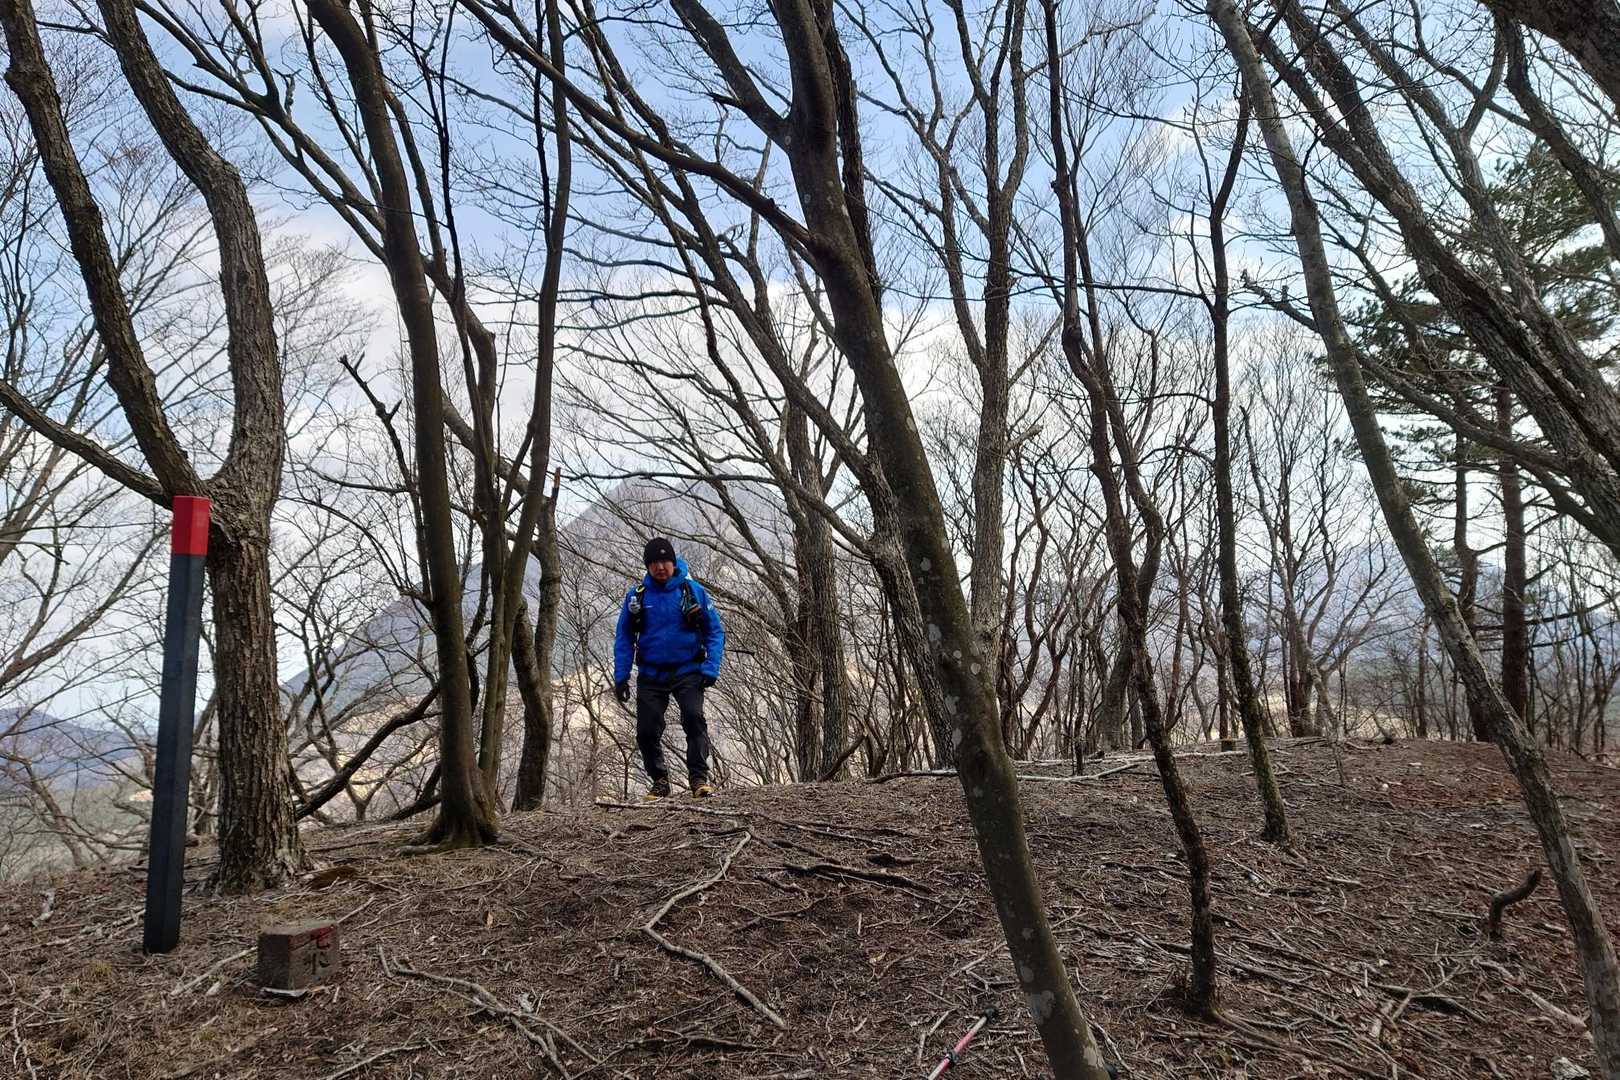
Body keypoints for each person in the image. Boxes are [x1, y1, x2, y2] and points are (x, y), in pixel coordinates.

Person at [613, 537, 726, 799]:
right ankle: (660, 781)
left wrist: (711, 667)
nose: (660, 567)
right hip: (651, 674)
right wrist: (621, 677)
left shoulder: (693, 591)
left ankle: (699, 779)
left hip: (688, 669)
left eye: (665, 561)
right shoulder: (637, 596)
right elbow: (624, 637)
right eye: (653, 562)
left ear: (674, 563)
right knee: (646, 731)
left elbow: (714, 631)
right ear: (647, 566)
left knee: (694, 719)